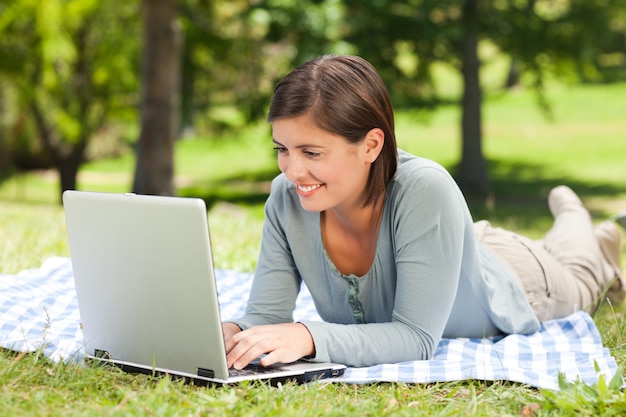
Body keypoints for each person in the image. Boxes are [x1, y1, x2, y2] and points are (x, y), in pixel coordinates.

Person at [222, 55, 625, 370]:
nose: (292, 170)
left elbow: (415, 337)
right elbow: (265, 316)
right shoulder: (285, 198)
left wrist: (309, 336)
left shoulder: (424, 188)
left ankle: (583, 221)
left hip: (519, 276)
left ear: (371, 145)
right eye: (282, 149)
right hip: (449, 246)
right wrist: (232, 332)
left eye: (311, 152)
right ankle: (592, 232)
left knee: (585, 273)